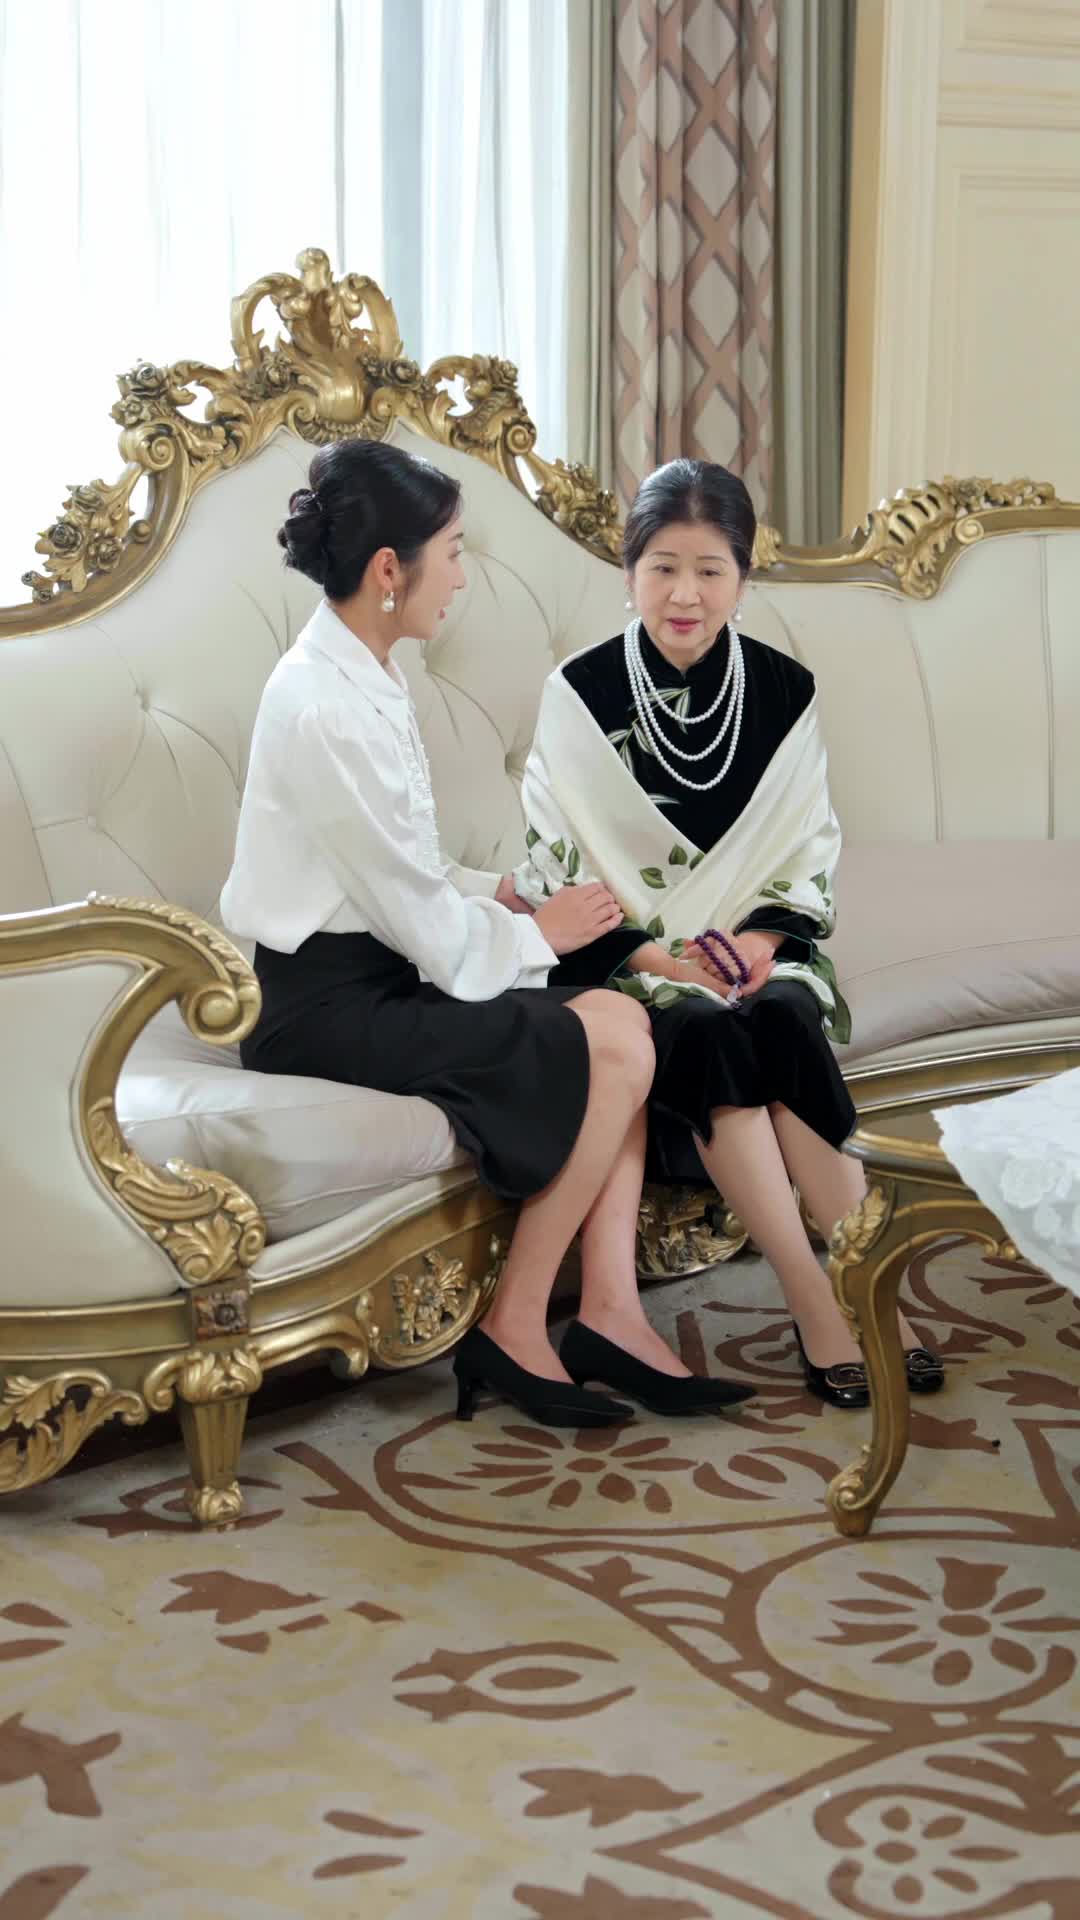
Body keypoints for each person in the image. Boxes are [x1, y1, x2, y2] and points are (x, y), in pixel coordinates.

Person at [219, 440, 755, 1430]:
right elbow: (422, 927)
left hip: (380, 973)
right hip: (322, 1010)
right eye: (454, 553)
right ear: (391, 569)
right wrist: (539, 930)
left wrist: (501, 892)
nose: (462, 576)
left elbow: (396, 870)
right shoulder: (323, 705)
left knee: (626, 1021)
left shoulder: (363, 672)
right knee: (612, 1039)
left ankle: (607, 1312)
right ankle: (517, 1326)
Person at [511, 459, 944, 1408]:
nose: (685, 594)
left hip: (756, 951)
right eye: (663, 567)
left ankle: (869, 1285)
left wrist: (758, 944)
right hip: (631, 966)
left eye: (710, 570)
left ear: (743, 578)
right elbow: (554, 865)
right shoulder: (578, 693)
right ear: (629, 571)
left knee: (781, 1017)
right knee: (704, 1030)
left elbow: (805, 842)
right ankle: (814, 1298)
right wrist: (662, 958)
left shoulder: (785, 689)